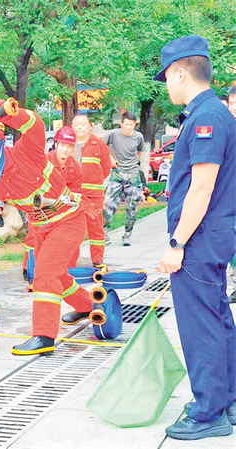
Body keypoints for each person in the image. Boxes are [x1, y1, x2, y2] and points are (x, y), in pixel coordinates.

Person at [155, 35, 236, 440]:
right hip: (213, 235)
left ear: (180, 72)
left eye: (166, 77)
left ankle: (208, 413)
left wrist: (177, 244)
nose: (166, 86)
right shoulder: (214, 113)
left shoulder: (206, 119)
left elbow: (201, 189)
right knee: (217, 318)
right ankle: (228, 399)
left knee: (200, 325)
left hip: (199, 239)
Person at [0, 99, 93, 355]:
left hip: (68, 219)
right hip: (41, 227)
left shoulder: (25, 151)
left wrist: (8, 114)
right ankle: (88, 306)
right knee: (56, 274)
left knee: (46, 273)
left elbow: (35, 124)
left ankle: (44, 336)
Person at [23, 126, 87, 290]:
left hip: (62, 213)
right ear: (56, 145)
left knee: (69, 243)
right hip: (41, 211)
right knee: (37, 243)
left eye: (69, 146)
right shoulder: (44, 163)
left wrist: (67, 204)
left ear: (73, 148)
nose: (65, 150)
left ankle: (66, 276)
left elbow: (76, 193)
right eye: (62, 145)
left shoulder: (75, 167)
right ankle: (33, 276)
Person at [72, 113, 112, 267]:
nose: (80, 127)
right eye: (76, 124)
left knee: (95, 228)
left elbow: (106, 168)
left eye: (83, 124)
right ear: (72, 127)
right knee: (73, 229)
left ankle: (97, 260)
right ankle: (71, 262)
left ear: (90, 126)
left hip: (94, 196)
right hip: (73, 196)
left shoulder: (99, 144)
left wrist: (94, 182)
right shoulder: (68, 145)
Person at [102, 111, 145, 247]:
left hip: (133, 175)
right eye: (126, 124)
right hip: (117, 173)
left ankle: (127, 235)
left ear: (134, 125)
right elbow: (101, 146)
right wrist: (110, 158)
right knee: (107, 205)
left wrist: (137, 164)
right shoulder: (113, 134)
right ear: (121, 124)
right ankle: (104, 233)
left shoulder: (138, 137)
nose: (128, 127)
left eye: (131, 125)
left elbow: (140, 152)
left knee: (131, 208)